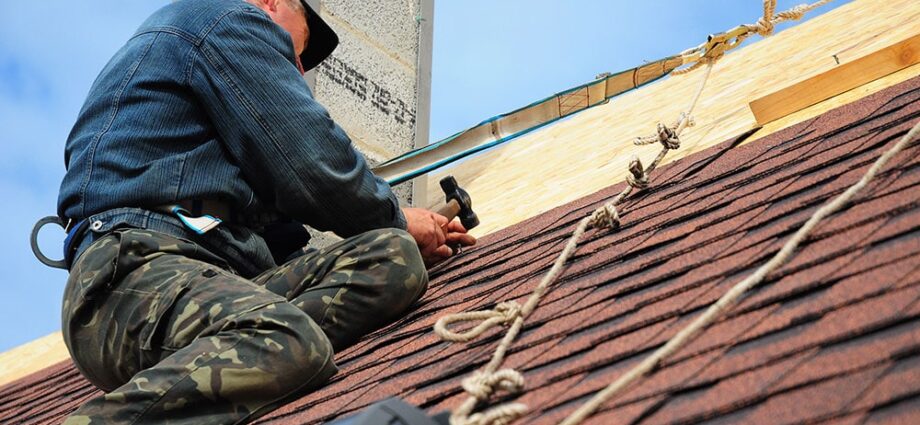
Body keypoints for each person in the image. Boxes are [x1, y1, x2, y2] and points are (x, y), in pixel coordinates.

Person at [55, 0, 475, 423]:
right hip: (133, 275)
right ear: (271, 2)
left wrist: (399, 234)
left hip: (212, 276)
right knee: (290, 340)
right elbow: (313, 166)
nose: (296, 69)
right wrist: (398, 217)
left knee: (392, 257)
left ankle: (234, 351)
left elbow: (289, 238)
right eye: (296, 51)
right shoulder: (223, 18)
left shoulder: (208, 97)